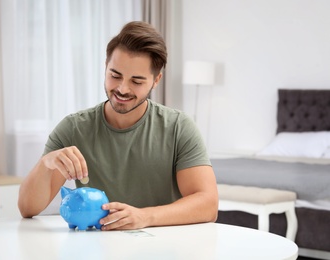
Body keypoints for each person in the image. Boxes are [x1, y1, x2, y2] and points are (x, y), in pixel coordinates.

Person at [18, 21, 218, 230]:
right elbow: (27, 208)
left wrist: (144, 217)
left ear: (156, 80)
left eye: (137, 81)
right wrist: (46, 163)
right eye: (115, 75)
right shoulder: (73, 128)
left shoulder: (179, 128)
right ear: (106, 67)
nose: (122, 89)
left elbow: (208, 205)